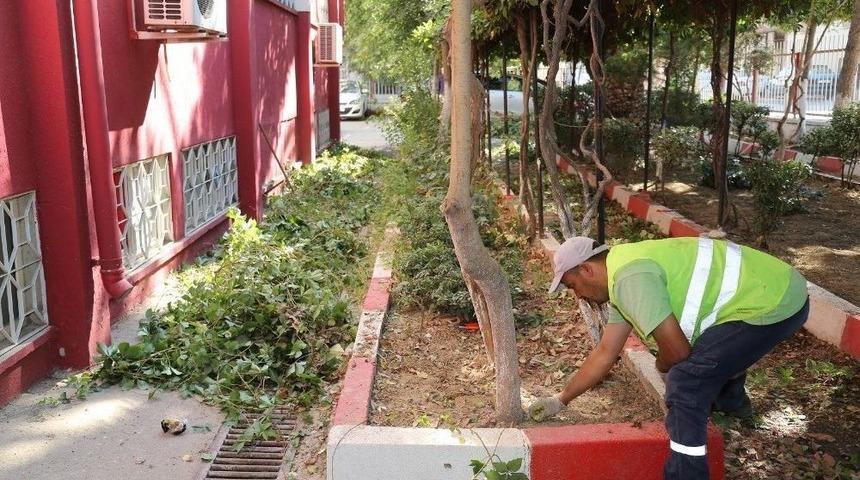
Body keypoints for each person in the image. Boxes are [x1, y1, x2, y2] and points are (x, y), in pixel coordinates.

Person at [528, 236, 809, 479]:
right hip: (775, 288)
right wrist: (560, 400)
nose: (578, 295)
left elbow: (677, 352)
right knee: (711, 355)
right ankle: (735, 411)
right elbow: (605, 353)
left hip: (773, 300)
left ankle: (687, 473)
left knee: (685, 380)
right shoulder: (622, 272)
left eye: (573, 285)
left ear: (587, 269)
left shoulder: (630, 279)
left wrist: (662, 365)